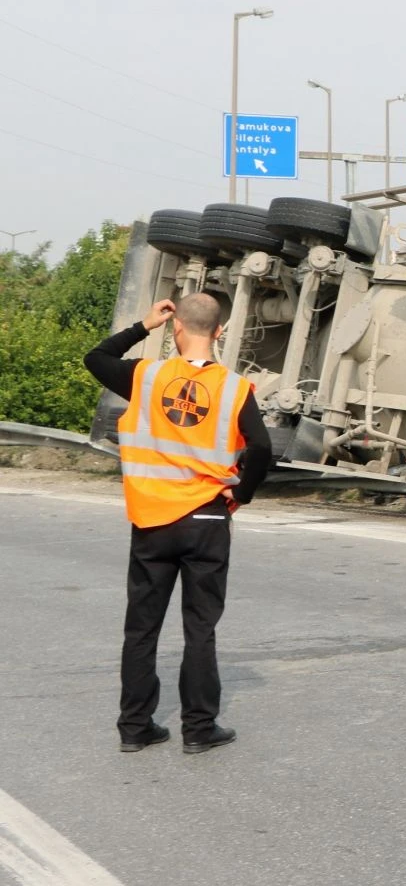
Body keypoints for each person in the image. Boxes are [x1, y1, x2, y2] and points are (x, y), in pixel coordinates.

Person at [85, 293, 273, 754]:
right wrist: (241, 494)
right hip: (208, 516)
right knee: (200, 629)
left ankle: (134, 727)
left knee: (142, 628)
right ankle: (198, 729)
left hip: (152, 520)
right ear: (220, 332)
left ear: (176, 328)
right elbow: (263, 449)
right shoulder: (234, 388)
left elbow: (97, 357)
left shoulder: (146, 376)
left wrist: (142, 325)